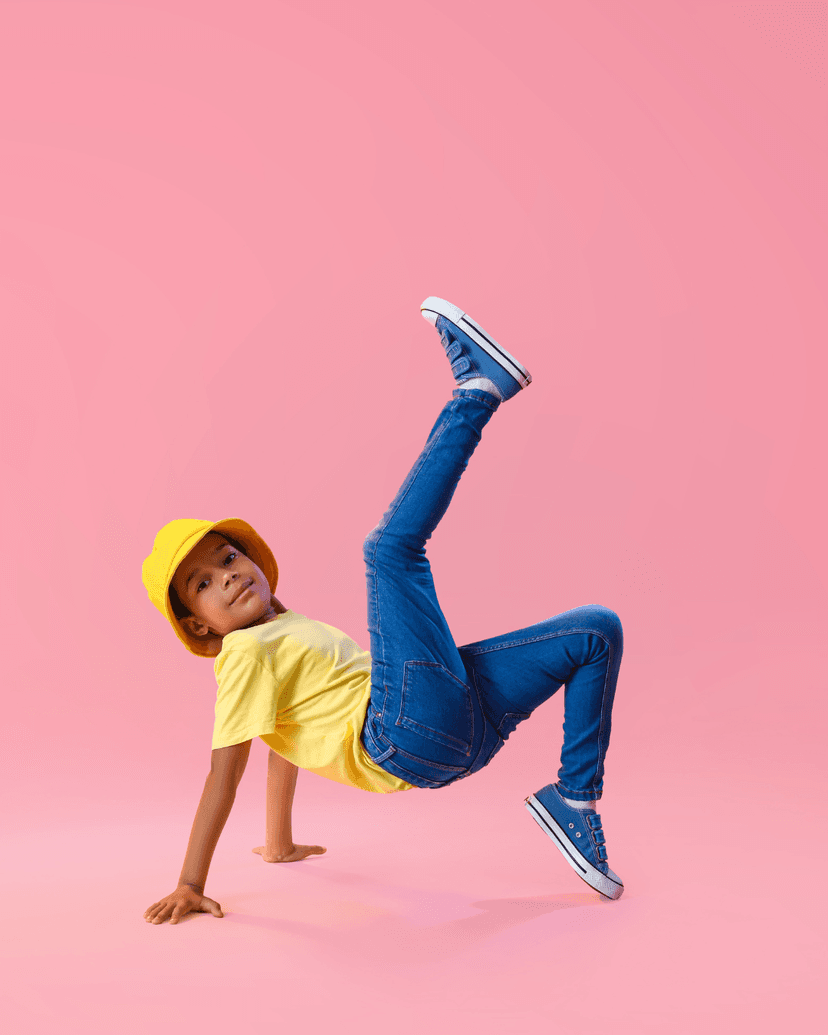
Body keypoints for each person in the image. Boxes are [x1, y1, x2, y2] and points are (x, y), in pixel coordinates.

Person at [141, 297, 625, 926]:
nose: (228, 575)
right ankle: (477, 393)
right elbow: (224, 773)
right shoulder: (242, 654)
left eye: (229, 557)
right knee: (389, 551)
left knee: (595, 630)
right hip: (405, 734)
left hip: (464, 731)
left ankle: (575, 803)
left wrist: (280, 843)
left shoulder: (282, 638)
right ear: (198, 624)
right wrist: (188, 882)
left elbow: (283, 740)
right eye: (204, 582)